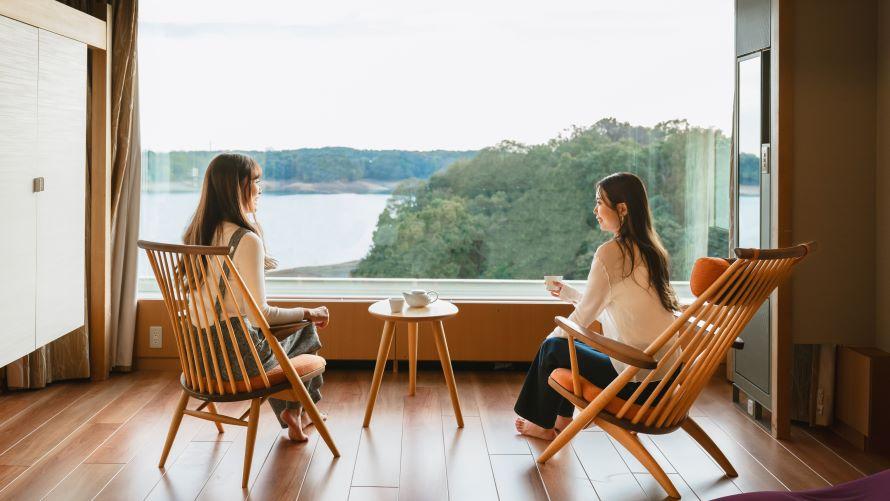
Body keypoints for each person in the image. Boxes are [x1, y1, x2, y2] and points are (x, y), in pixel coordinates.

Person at [514, 172, 680, 440]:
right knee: (567, 347)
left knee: (554, 347)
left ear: (622, 209)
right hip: (664, 379)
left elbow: (582, 318)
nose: (595, 209)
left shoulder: (611, 252)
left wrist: (546, 345)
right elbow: (619, 309)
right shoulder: (652, 250)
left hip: (637, 384)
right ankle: (563, 420)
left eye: (600, 202)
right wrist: (571, 294)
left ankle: (543, 425)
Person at [183, 152, 329, 442]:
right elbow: (259, 315)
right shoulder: (245, 240)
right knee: (306, 328)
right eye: (255, 182)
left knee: (286, 330)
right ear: (238, 188)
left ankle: (296, 411)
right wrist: (308, 312)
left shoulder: (197, 234)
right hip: (235, 362)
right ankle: (298, 409)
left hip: (199, 359)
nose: (259, 189)